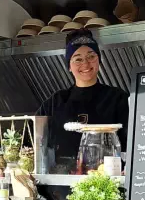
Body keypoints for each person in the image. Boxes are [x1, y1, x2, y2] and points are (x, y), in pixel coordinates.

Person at [37, 29, 129, 167]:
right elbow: (35, 138)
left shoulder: (118, 98)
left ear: (99, 60)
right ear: (69, 66)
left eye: (91, 56)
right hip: (61, 182)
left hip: (106, 182)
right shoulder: (55, 102)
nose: (85, 64)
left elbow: (132, 142)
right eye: (78, 59)